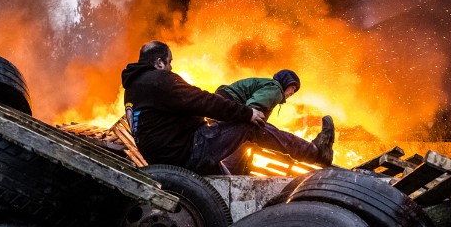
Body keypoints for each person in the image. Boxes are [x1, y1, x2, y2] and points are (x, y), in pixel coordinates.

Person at [122, 41, 332, 175]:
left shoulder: (133, 89)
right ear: (159, 63)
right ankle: (315, 153)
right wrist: (247, 113)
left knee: (225, 178)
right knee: (252, 125)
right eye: (169, 63)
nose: (171, 68)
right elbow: (202, 101)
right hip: (185, 152)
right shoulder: (159, 80)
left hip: (167, 156)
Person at [215, 70, 335, 166]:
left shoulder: (268, 87)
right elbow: (252, 109)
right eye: (293, 88)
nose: (292, 92)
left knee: (246, 141)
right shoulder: (275, 88)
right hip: (229, 111)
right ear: (286, 82)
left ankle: (230, 172)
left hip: (223, 112)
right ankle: (315, 152)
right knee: (260, 131)